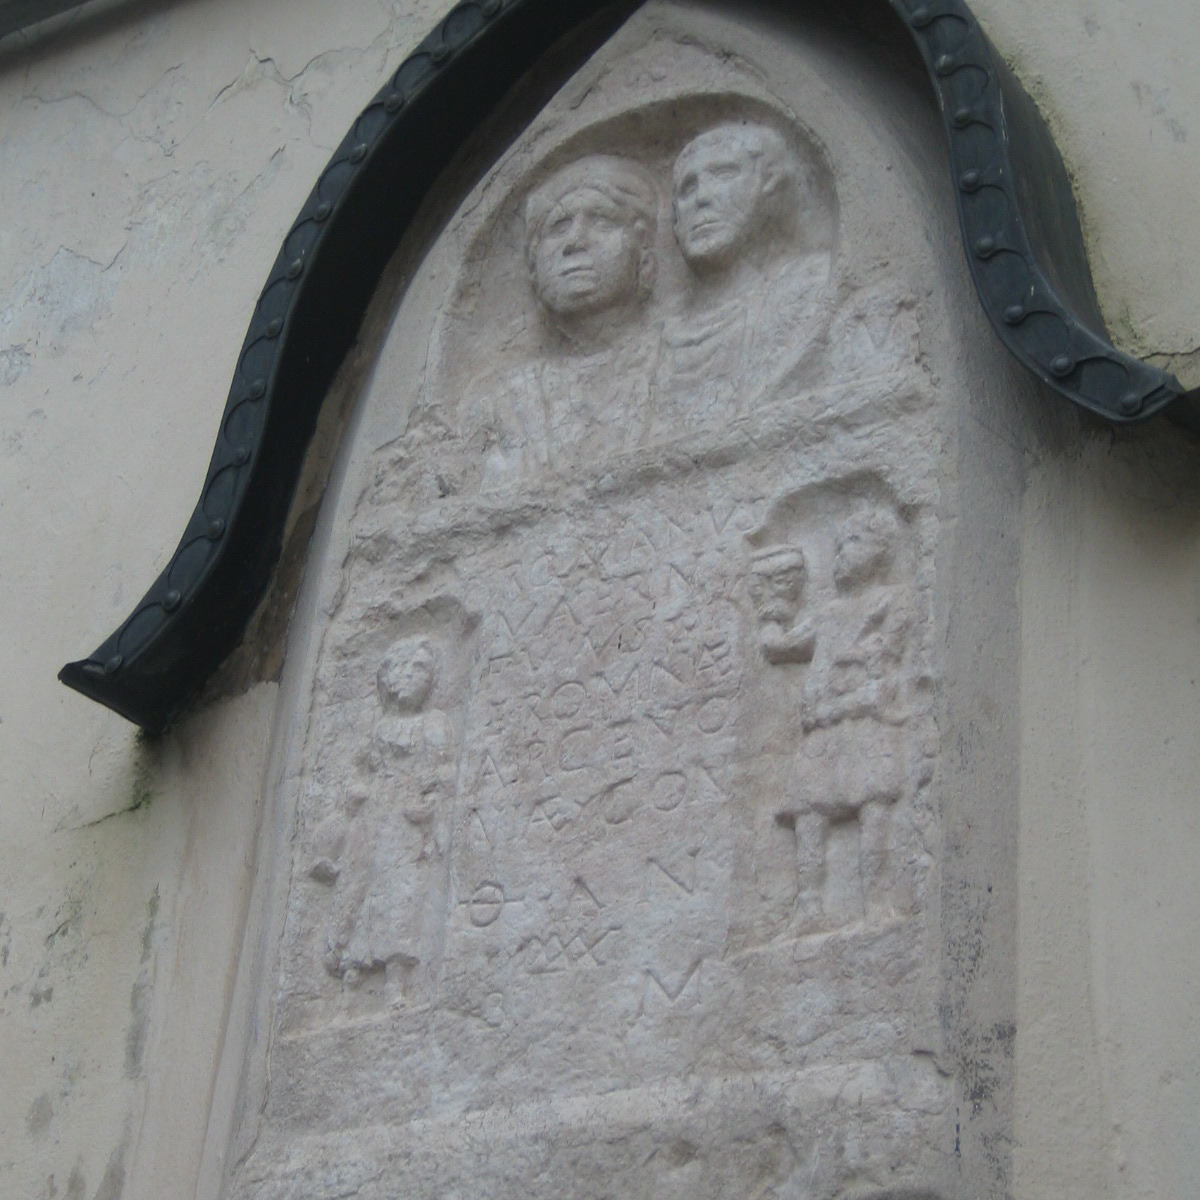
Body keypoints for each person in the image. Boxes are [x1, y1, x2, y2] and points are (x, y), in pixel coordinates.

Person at [461, 155, 661, 485]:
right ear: (533, 269)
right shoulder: (500, 402)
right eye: (557, 227)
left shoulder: (689, 356)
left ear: (642, 249)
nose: (575, 242)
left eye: (601, 222)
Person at [656, 122, 830, 434]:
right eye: (687, 189)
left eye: (723, 174)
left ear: (769, 185)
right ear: (675, 220)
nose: (702, 198)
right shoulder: (660, 343)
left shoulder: (813, 289)